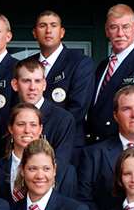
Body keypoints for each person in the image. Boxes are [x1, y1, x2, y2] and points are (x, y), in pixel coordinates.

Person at [27, 10, 95, 161]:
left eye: (53, 25)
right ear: (34, 33)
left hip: (65, 143)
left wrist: (40, 129)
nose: (48, 30)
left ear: (62, 32)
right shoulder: (27, 65)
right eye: (43, 26)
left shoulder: (80, 62)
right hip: (29, 142)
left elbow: (78, 107)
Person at [0, 103, 76, 203]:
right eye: (21, 124)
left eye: (33, 125)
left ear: (40, 129)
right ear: (11, 128)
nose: (27, 130)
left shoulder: (65, 172)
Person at [86, 4, 134, 144]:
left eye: (125, 27)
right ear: (106, 30)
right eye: (114, 27)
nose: (120, 33)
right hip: (96, 146)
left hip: (123, 146)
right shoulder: (102, 66)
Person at [11, 59, 75, 162]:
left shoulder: (63, 119)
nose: (32, 87)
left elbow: (61, 164)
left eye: (37, 81)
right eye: (26, 81)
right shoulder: (8, 116)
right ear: (15, 84)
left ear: (44, 84)